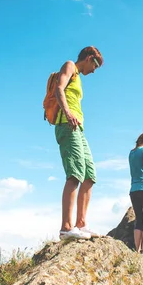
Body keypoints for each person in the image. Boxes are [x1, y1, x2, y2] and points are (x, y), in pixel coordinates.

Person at [54, 46, 103, 240]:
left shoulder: (79, 78)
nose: (94, 70)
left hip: (78, 128)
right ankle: (66, 227)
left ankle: (81, 224)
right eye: (95, 65)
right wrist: (67, 112)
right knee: (75, 173)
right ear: (89, 58)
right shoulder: (69, 66)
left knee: (89, 174)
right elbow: (59, 88)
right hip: (66, 124)